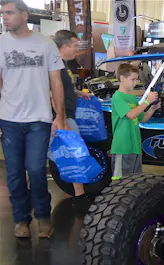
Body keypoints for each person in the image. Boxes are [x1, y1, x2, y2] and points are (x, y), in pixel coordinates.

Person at [0, 0, 68, 239]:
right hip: (9, 119)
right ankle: (21, 220)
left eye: (9, 13)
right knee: (15, 174)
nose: (4, 17)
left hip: (39, 119)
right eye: (2, 13)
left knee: (38, 170)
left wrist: (60, 117)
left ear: (24, 15)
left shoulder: (45, 44)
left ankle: (43, 215)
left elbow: (57, 83)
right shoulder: (1, 43)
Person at [52, 29, 93, 210]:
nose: (77, 49)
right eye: (75, 45)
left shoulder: (63, 65)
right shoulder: (55, 66)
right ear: (64, 45)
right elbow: (52, 93)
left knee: (51, 154)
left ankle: (28, 186)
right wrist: (61, 119)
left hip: (65, 116)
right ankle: (80, 196)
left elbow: (65, 89)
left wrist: (79, 94)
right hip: (63, 118)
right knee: (75, 154)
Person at [110, 63, 159, 180]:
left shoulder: (132, 98)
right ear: (122, 78)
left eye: (136, 80)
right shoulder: (117, 97)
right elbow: (131, 115)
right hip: (122, 146)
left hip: (135, 145)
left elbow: (142, 118)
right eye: (132, 79)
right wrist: (147, 101)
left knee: (134, 180)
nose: (135, 83)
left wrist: (152, 108)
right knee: (120, 181)